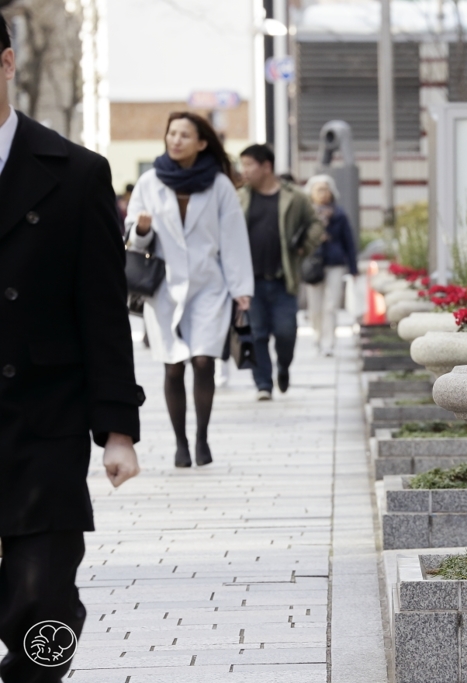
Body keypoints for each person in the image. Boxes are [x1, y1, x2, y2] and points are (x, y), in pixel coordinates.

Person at [0, 16, 143, 682]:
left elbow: (102, 312)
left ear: (6, 64)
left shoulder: (76, 171)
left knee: (43, 601)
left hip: (44, 420)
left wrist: (117, 427)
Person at [125, 113, 254, 468]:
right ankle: (180, 442)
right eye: (172, 133)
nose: (176, 140)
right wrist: (142, 229)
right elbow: (133, 238)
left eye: (184, 135)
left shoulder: (219, 185)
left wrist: (241, 289)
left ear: (201, 143)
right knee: (172, 366)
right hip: (164, 286)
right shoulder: (149, 182)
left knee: (203, 360)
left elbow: (233, 240)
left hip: (209, 284)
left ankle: (202, 439)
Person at [238, 145, 323, 400]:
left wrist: (305, 246)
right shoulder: (238, 197)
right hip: (249, 281)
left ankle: (283, 367)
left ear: (266, 166)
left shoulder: (294, 196)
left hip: (282, 279)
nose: (244, 171)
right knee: (256, 334)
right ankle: (263, 384)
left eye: (249, 165)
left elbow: (316, 223)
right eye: (242, 165)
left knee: (286, 333)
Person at [304, 175, 358, 356]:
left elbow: (349, 241)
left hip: (335, 263)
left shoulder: (339, 214)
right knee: (315, 306)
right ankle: (317, 336)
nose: (322, 193)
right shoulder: (306, 214)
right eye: (318, 189)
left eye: (325, 189)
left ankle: (329, 342)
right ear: (311, 193)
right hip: (313, 264)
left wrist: (353, 268)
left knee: (331, 305)